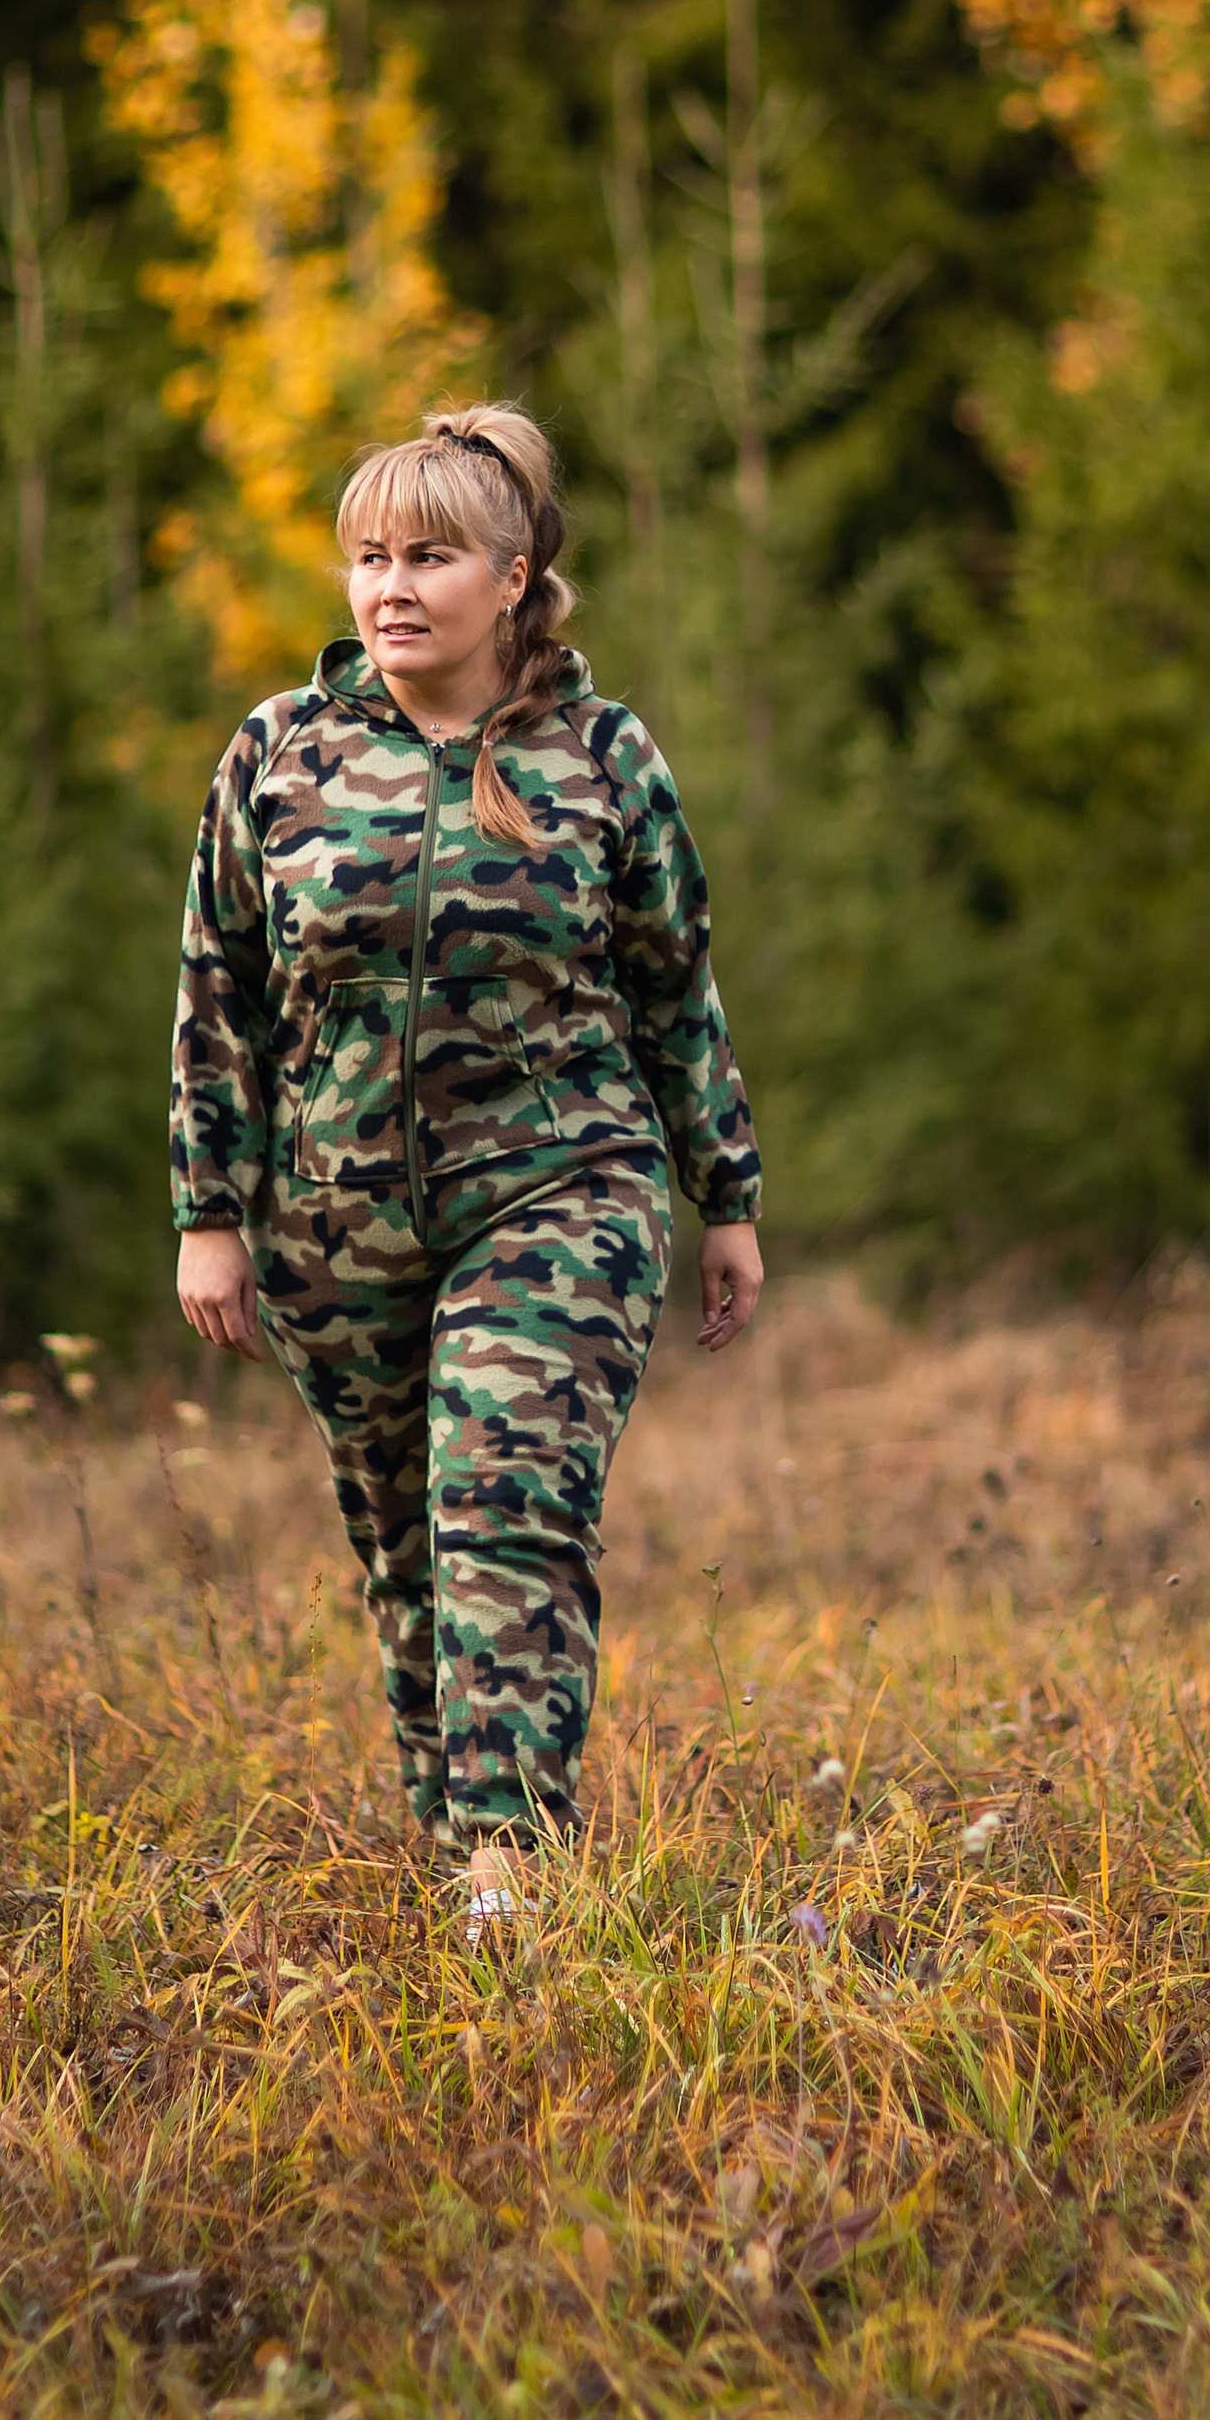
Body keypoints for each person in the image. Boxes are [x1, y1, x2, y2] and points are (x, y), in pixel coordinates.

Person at [169, 400, 763, 1925]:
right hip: (334, 1217)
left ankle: (514, 1851)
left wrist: (726, 1195)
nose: (391, 586)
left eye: (429, 554)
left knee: (505, 1496)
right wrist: (209, 1213)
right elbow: (219, 986)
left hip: (562, 1188)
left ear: (513, 578)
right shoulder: (281, 755)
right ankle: (458, 1827)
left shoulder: (600, 757)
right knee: (402, 1530)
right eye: (368, 555)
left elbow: (671, 985)